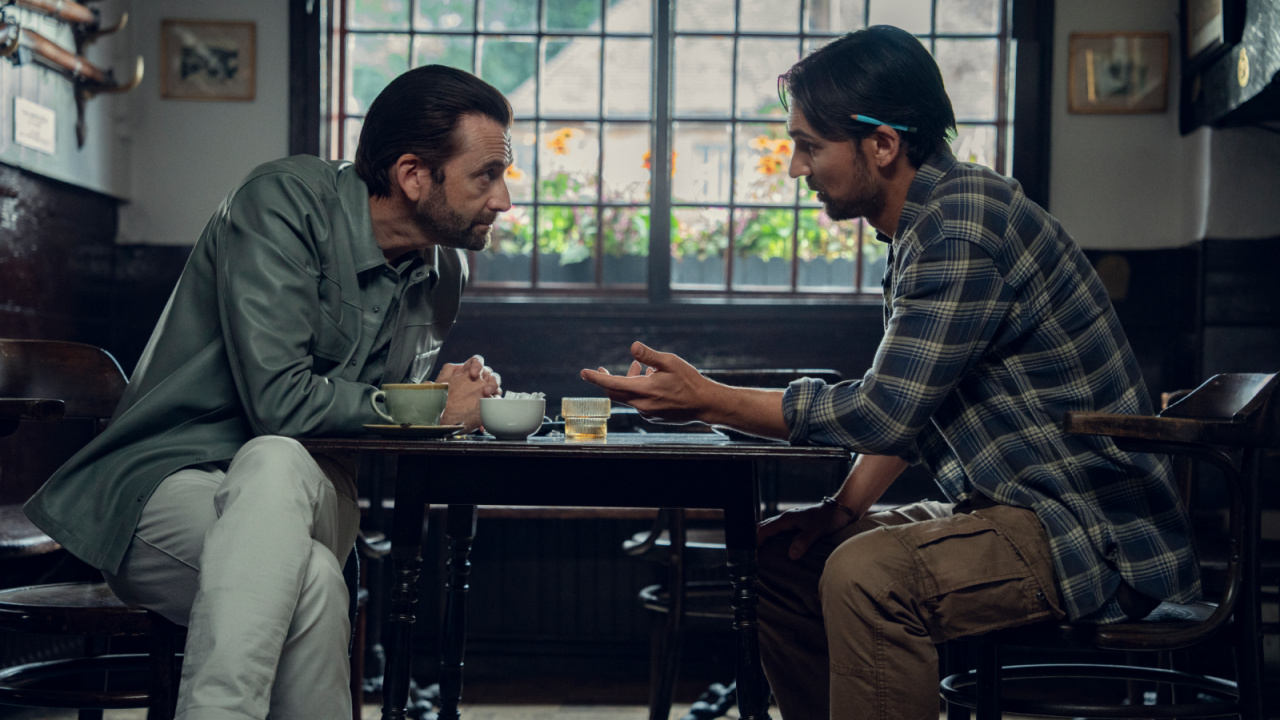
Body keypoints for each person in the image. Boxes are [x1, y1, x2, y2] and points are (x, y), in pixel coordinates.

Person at [581, 26, 1200, 720]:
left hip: (1087, 532)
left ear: (882, 144)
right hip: (1006, 510)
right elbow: (917, 406)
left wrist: (709, 400)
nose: (794, 168)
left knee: (868, 573)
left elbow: (884, 412)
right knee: (783, 563)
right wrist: (840, 510)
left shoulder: (959, 226)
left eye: (809, 145)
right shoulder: (922, 227)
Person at [25, 64, 513, 720]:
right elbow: (280, 405)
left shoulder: (444, 270)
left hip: (320, 495)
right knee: (308, 574)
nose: (506, 198)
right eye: (488, 175)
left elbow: (380, 401)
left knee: (278, 466)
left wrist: (447, 394)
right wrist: (427, 409)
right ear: (413, 175)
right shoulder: (283, 203)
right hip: (165, 482)